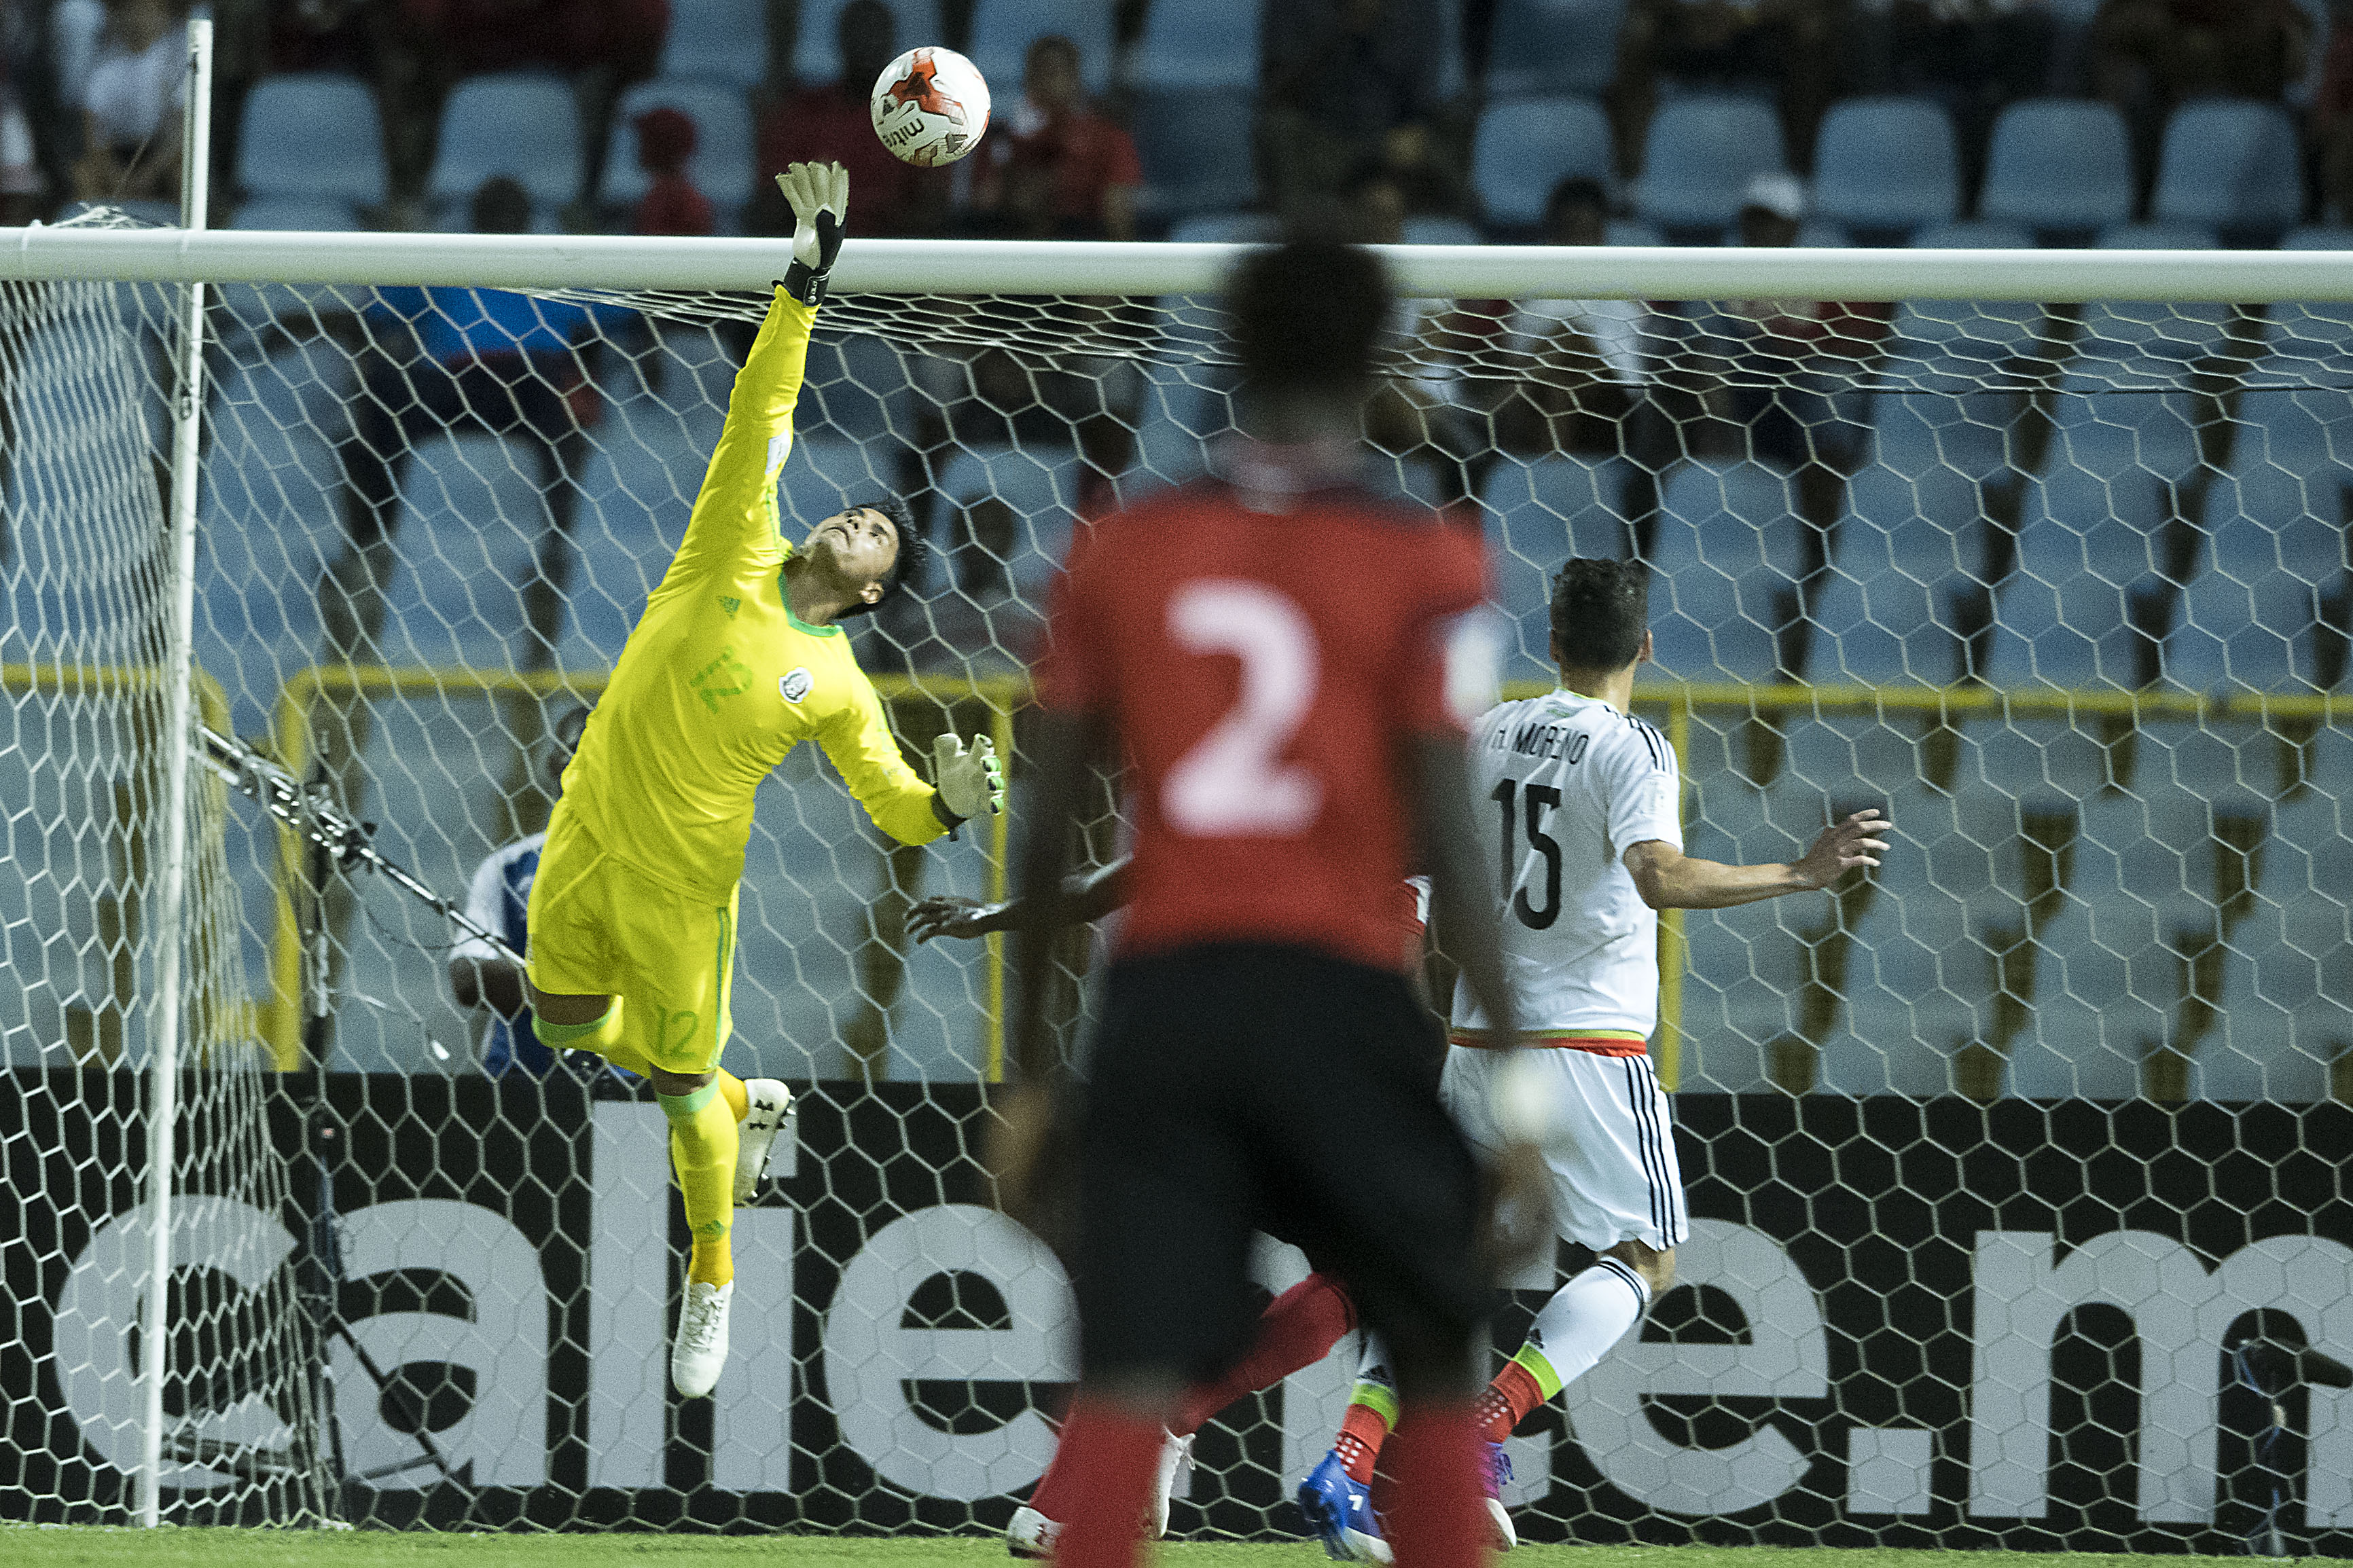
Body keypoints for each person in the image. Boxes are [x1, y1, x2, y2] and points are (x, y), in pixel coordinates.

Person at [996, 239, 1554, 1568]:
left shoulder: (1119, 547)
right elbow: (1456, 849)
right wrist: (1521, 1088)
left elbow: (1048, 830)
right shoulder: (1426, 560)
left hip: (1167, 996)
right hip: (1343, 993)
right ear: (1376, 361)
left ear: (1227, 354)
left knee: (1133, 1362)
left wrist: (1026, 1077)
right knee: (1426, 1335)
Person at [521, 162, 1005, 1400]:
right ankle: (748, 1094)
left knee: (677, 1097)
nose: (858, 516)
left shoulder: (840, 684)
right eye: (855, 511)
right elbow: (761, 413)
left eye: (882, 533)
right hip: (581, 836)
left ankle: (716, 1276)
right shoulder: (728, 551)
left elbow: (894, 803)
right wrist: (803, 276)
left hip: (687, 888)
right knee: (560, 1025)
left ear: (874, 592)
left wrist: (945, 805)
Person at [1301, 558, 1891, 1558]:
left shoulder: (1486, 732)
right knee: (1648, 1254)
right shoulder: (1635, 748)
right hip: (1592, 1045)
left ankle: (1348, 1462)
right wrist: (1798, 871)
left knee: (1437, 1269)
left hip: (1479, 1040)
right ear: (1646, 647)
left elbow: (1414, 862)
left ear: (1554, 644)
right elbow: (1658, 878)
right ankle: (1487, 1434)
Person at [908, 866, 1432, 1557]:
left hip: (1182, 1085)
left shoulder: (1228, 807)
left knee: (1148, 1307)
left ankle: (1054, 1507)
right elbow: (1399, 1005)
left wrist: (992, 915)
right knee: (1376, 1276)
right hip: (1296, 1106)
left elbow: (1107, 881)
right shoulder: (1382, 850)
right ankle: (1185, 1415)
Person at [320, 175, 617, 678]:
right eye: (491, 209)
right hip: (459, 385)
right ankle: (374, 534)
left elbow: (611, 321)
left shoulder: (561, 263)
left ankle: (559, 542)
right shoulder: (444, 259)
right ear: (476, 216)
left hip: (532, 382)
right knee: (384, 393)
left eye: (509, 211)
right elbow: (376, 311)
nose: (500, 219)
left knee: (562, 407)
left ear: (525, 220)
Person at [448, 704, 634, 1080]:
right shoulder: (510, 867)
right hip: (518, 1077)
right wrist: (580, 991)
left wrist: (543, 986)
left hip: (631, 1079)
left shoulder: (660, 866)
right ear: (553, 764)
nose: (593, 761)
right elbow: (469, 976)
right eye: (578, 747)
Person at [753, 0, 938, 239]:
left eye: (875, 34)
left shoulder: (918, 121)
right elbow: (772, 204)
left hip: (890, 256)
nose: (867, 43)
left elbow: (930, 212)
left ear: (891, 43)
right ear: (842, 39)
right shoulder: (804, 113)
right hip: (815, 252)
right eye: (858, 33)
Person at [971, 33, 1140, 242]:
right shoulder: (1002, 138)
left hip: (1083, 247)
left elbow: (1117, 214)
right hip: (1014, 246)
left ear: (1075, 79)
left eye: (1055, 72)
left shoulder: (1108, 138)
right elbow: (983, 204)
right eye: (1037, 72)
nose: (1046, 82)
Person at [71, 0, 181, 204]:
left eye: (146, 12)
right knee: (83, 175)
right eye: (131, 12)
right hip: (116, 155)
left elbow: (178, 134)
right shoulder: (102, 65)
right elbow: (93, 134)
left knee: (184, 170)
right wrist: (117, 177)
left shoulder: (175, 62)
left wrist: (149, 174)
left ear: (162, 16)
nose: (138, 20)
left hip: (159, 157)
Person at [630, 104, 715, 236]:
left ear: (661, 147)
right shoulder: (667, 193)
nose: (638, 146)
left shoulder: (672, 200)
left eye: (646, 138)